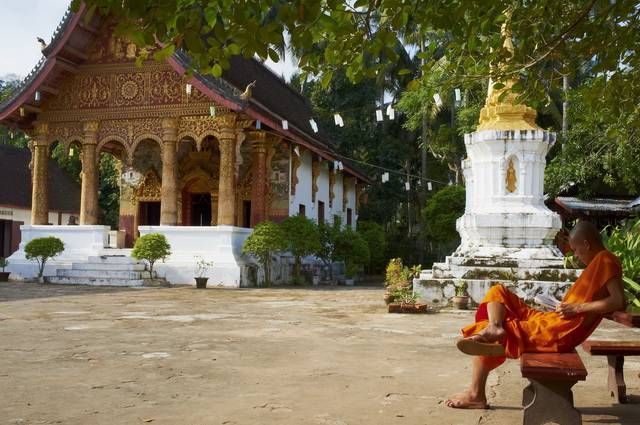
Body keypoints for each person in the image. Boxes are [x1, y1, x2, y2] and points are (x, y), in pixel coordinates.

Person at [445, 221, 625, 409]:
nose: (576, 255)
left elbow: (618, 301)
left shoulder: (606, 260)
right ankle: (495, 327)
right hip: (553, 320)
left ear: (586, 244)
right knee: (498, 292)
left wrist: (577, 308)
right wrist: (565, 307)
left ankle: (476, 394)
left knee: (487, 333)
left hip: (560, 331)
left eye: (576, 249)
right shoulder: (599, 262)